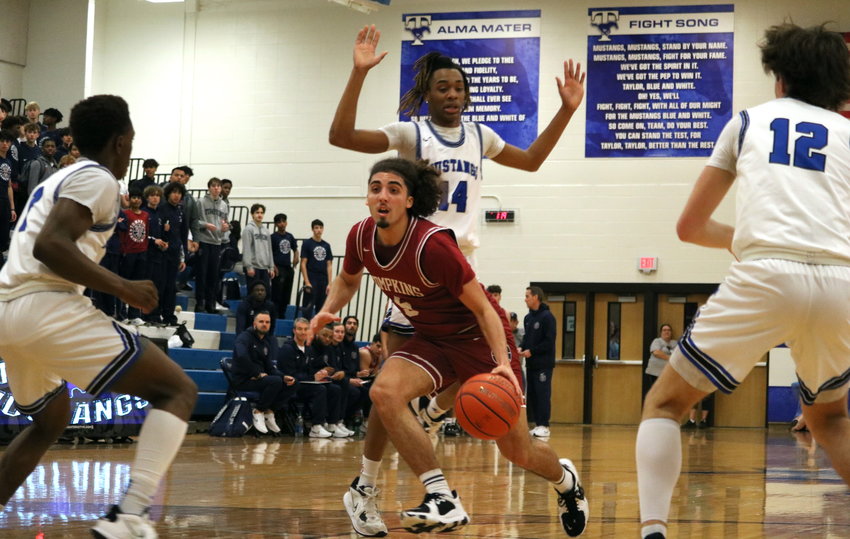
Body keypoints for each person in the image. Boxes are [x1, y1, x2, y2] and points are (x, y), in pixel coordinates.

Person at [328, 26, 586, 521]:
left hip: (452, 273)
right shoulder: (411, 134)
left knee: (513, 445)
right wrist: (358, 74)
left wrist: (567, 110)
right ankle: (372, 483)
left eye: (460, 88)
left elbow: (531, 161)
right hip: (409, 275)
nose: (452, 95)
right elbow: (341, 137)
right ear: (427, 95)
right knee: (387, 390)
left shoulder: (479, 136)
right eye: (443, 88)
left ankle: (440, 413)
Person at [636, 23, 850, 539]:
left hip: (766, 273)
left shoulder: (749, 121)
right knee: (831, 420)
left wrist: (747, 239)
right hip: (842, 281)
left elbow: (689, 228)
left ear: (779, 79)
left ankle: (653, 532)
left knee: (664, 404)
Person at [312, 158, 588, 537]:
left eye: (394, 189)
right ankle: (440, 495)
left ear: (409, 200)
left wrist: (504, 362)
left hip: (478, 338)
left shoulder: (433, 245)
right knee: (384, 391)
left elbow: (484, 310)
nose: (383, 195)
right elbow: (346, 279)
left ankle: (566, 482)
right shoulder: (360, 237)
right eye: (376, 187)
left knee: (516, 450)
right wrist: (327, 310)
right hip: (433, 338)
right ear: (367, 197)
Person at [0, 94, 197, 537]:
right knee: (177, 390)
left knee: (52, 419)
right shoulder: (99, 178)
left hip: (7, 314)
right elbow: (50, 245)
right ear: (122, 141)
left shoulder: (61, 177)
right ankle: (129, 516)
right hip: (44, 307)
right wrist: (123, 286)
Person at [278, 317, 346, 438]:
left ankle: (332, 424)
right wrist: (312, 377)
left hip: (306, 382)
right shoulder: (287, 348)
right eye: (300, 329)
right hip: (292, 386)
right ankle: (316, 427)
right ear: (294, 330)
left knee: (334, 389)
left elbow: (310, 370)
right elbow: (289, 374)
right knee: (320, 390)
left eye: (305, 329)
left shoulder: (308, 349)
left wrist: (321, 374)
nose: (303, 332)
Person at [231, 311, 293, 434]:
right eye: (261, 322)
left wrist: (283, 376)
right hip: (244, 380)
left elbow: (269, 366)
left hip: (258, 379)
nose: (264, 324)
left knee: (291, 383)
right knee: (274, 382)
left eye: (267, 322)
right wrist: (256, 374)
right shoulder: (244, 337)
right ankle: (258, 411)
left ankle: (269, 411)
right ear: (254, 323)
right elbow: (242, 357)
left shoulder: (265, 341)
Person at [520, 286, 557, 438]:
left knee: (543, 393)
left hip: (543, 364)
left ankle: (544, 425)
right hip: (531, 364)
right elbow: (527, 339)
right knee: (533, 394)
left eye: (527, 296)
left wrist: (532, 351)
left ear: (536, 297)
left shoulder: (547, 317)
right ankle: (537, 424)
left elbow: (549, 341)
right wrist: (521, 347)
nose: (525, 299)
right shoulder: (528, 318)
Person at [194, 177, 230, 313]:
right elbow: (194, 221)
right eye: (213, 186)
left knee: (213, 276)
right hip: (204, 241)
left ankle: (211, 304)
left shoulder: (224, 205)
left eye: (218, 186)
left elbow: (225, 223)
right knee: (201, 274)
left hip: (217, 242)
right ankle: (200, 303)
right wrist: (205, 225)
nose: (216, 188)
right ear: (209, 188)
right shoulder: (201, 202)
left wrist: (225, 228)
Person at [116, 188, 150, 324]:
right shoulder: (125, 214)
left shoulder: (146, 215)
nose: (136, 200)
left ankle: (134, 314)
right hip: (127, 253)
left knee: (137, 284)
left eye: (138, 198)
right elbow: (122, 233)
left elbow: (146, 233)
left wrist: (145, 249)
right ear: (129, 199)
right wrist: (123, 250)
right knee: (125, 283)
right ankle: (122, 313)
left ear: (142, 200)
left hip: (141, 253)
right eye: (133, 197)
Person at [159, 181, 188, 325]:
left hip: (175, 254)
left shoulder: (181, 212)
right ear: (168, 193)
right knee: (160, 285)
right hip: (161, 254)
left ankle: (169, 316)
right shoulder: (161, 209)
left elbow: (183, 237)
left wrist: (183, 258)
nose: (176, 196)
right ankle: (154, 315)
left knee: (171, 287)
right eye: (174, 192)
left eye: (179, 193)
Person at [299, 218, 333, 319]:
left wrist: (330, 283)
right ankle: (305, 329)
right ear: (312, 229)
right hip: (311, 277)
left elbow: (329, 265)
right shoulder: (307, 243)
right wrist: (307, 281)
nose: (318, 230)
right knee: (308, 307)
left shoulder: (326, 245)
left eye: (320, 228)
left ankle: (318, 332)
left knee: (321, 307)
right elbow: (303, 263)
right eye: (316, 228)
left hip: (323, 279)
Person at [242, 203, 275, 293]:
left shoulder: (266, 231)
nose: (260, 215)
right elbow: (246, 248)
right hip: (253, 267)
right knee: (253, 294)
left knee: (265, 294)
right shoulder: (248, 229)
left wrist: (271, 267)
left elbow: (269, 249)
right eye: (257, 212)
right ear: (252, 214)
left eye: (261, 212)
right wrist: (249, 266)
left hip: (264, 268)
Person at [271, 212, 298, 315]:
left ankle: (282, 313)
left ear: (286, 223)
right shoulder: (273, 237)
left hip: (288, 268)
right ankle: (275, 314)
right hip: (278, 268)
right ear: (276, 224)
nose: (282, 224)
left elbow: (295, 249)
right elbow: (269, 253)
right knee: (277, 293)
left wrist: (296, 257)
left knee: (287, 293)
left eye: (283, 221)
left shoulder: (290, 236)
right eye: (279, 222)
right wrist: (273, 266)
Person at [0, 130, 17, 260]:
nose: (5, 144)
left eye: (7, 141)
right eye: (2, 141)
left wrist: (12, 208)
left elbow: (9, 186)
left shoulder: (9, 161)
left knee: (3, 236)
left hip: (4, 202)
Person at [645, 324, 676, 388]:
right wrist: (670, 358)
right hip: (655, 372)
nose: (667, 332)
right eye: (664, 330)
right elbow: (656, 353)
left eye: (669, 330)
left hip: (668, 373)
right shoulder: (657, 341)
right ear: (661, 332)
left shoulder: (675, 343)